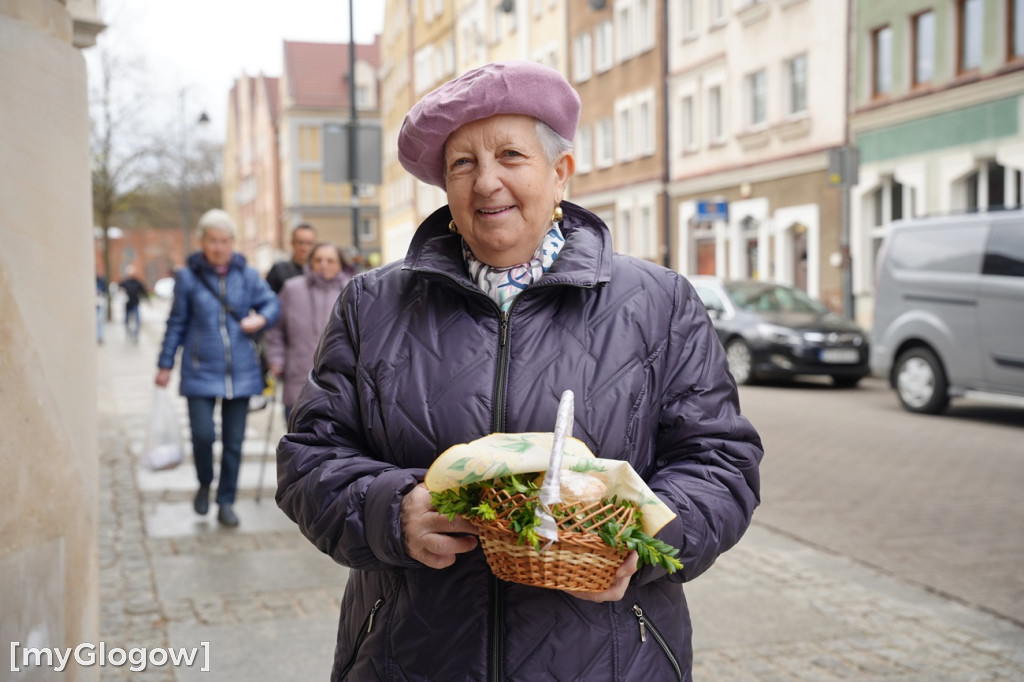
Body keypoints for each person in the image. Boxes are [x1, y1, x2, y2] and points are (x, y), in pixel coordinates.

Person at [275, 61, 763, 681]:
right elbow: (308, 459)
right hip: (411, 656)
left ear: (560, 174)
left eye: (511, 155)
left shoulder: (657, 302)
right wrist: (390, 511)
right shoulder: (373, 305)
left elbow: (721, 462)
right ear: (445, 189)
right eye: (463, 164)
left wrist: (638, 543)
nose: (487, 183)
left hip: (608, 659)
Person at [155, 209, 280, 527]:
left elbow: (271, 303)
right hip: (199, 369)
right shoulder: (188, 277)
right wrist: (165, 363)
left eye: (225, 241)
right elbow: (177, 323)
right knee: (202, 435)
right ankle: (204, 482)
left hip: (241, 371)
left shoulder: (247, 275)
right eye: (213, 241)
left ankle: (226, 501)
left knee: (234, 442)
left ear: (233, 243)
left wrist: (261, 317)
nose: (219, 247)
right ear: (202, 241)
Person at [264, 242, 351, 423]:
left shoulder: (353, 289)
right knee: (296, 437)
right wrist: (276, 360)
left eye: (330, 260)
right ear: (310, 263)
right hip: (297, 375)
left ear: (340, 264)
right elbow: (276, 329)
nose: (324, 265)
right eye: (318, 260)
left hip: (340, 381)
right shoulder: (292, 288)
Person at [266, 223, 316, 294]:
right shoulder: (279, 270)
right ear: (292, 243)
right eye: (300, 242)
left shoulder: (319, 272)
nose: (304, 248)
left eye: (309, 243)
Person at [118, 264, 148, 344]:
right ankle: (128, 332)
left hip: (135, 303)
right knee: (127, 320)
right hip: (127, 304)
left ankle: (135, 335)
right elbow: (119, 288)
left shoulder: (138, 282)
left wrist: (148, 300)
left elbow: (143, 291)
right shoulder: (125, 282)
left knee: (137, 320)